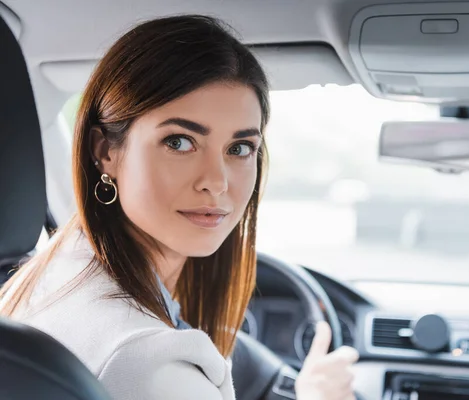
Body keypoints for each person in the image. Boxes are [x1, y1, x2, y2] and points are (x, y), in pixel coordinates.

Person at [0, 15, 358, 400]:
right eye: (180, 142)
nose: (217, 181)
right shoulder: (154, 365)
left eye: (239, 149)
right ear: (105, 151)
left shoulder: (56, 270)